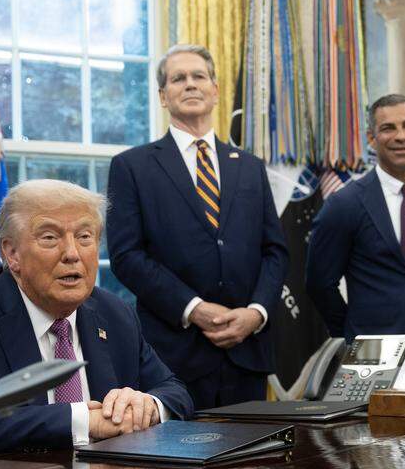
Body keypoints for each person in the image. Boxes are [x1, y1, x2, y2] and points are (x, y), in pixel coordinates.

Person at [0, 180, 193, 459]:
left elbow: (175, 391)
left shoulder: (115, 313)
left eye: (85, 237)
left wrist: (149, 406)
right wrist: (81, 421)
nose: (72, 254)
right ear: (11, 253)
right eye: (50, 237)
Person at [107, 44, 288, 410]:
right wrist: (193, 308)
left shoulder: (250, 166)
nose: (190, 85)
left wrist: (256, 313)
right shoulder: (132, 167)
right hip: (173, 356)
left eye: (198, 76)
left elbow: (275, 251)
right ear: (162, 96)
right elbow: (127, 255)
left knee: (251, 464)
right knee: (177, 467)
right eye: (178, 78)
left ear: (215, 90)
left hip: (246, 353)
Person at [306, 94, 405, 339]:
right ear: (372, 138)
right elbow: (319, 284)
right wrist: (353, 335)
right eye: (388, 128)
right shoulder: (345, 205)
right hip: (373, 356)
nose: (401, 136)